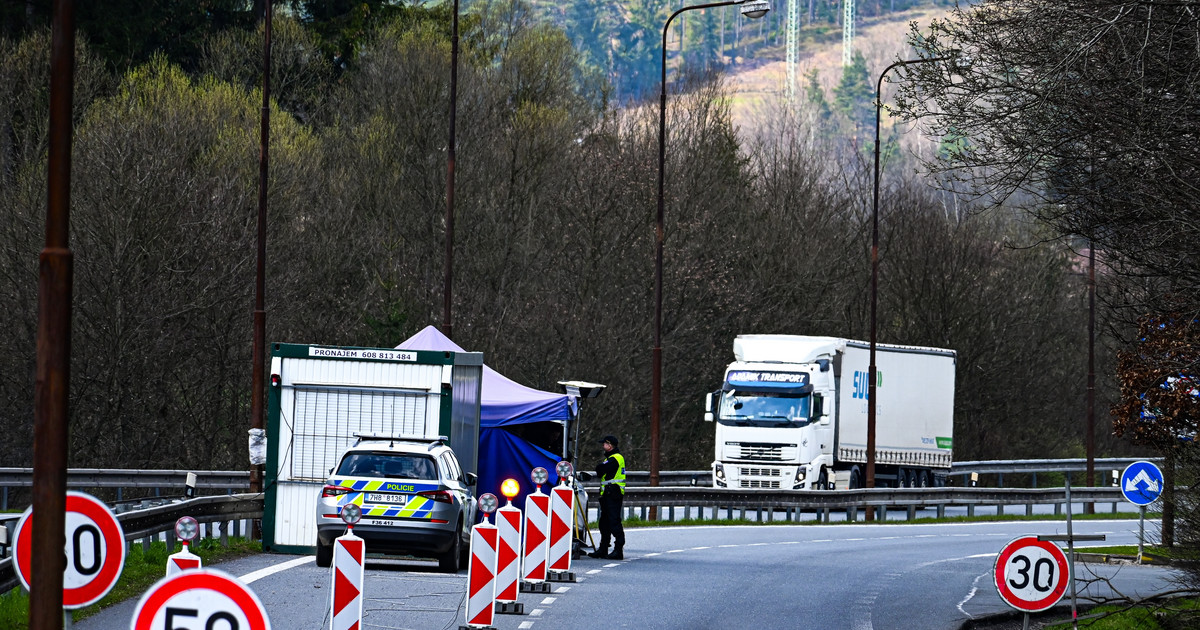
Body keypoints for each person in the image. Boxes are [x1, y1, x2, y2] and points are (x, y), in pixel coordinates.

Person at [588, 435, 626, 560]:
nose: (603, 446)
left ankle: (618, 550)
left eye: (604, 444)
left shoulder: (615, 458)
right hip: (608, 493)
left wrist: (600, 467)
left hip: (613, 493)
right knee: (604, 522)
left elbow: (600, 470)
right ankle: (603, 548)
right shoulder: (612, 458)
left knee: (614, 522)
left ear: (609, 445)